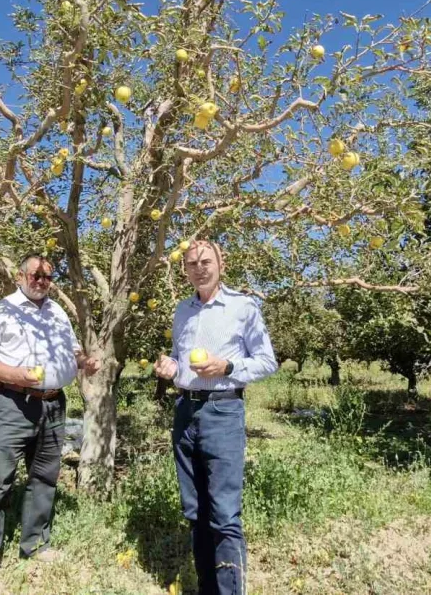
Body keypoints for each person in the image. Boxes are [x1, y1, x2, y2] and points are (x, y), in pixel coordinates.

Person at [0, 253, 101, 595]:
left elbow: (71, 351)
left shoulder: (56, 312)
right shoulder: (1, 311)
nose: (41, 281)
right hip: (13, 404)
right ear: (20, 275)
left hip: (54, 405)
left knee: (44, 477)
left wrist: (86, 362)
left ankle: (36, 544)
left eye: (47, 277)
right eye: (35, 275)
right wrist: (16, 374)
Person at [154, 240, 277, 595]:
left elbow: (267, 361)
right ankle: (208, 588)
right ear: (185, 270)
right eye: (192, 263)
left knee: (224, 515)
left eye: (206, 261)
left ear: (221, 263)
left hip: (223, 410)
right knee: (194, 511)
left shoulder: (242, 306)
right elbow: (181, 363)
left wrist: (228, 365)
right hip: (185, 411)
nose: (199, 268)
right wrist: (169, 367)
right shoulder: (183, 311)